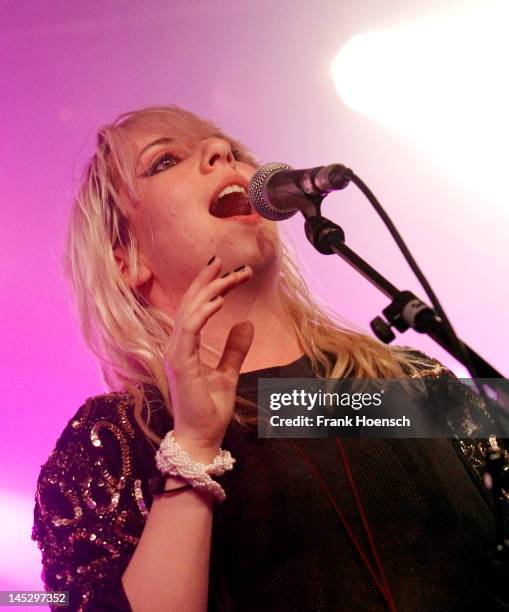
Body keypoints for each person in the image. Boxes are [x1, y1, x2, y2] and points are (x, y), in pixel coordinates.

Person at [32, 105, 506, 611]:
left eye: (231, 150)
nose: (222, 153)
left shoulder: (408, 387)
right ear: (128, 259)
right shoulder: (118, 440)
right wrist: (192, 448)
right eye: (166, 160)